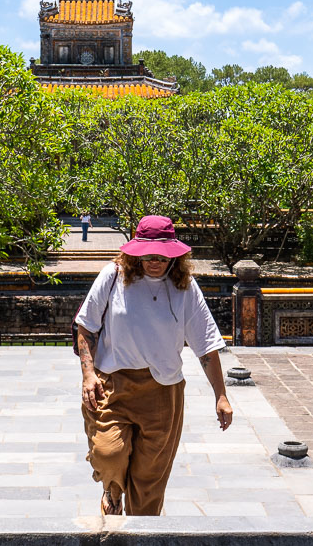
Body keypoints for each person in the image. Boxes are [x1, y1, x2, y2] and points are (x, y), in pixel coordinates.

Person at [76, 214, 233, 515]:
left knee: (149, 482)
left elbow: (205, 346)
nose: (154, 260)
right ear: (135, 251)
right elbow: (86, 326)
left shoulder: (185, 287)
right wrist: (88, 375)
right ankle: (113, 487)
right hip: (113, 385)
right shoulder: (114, 276)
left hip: (163, 391)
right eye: (148, 254)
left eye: (162, 254)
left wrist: (221, 395)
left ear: (174, 253)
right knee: (109, 453)